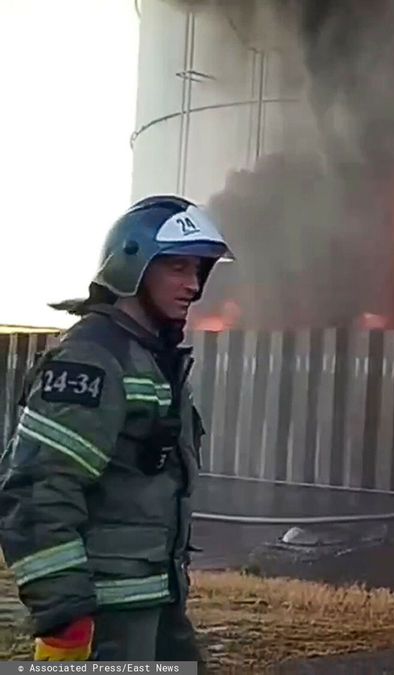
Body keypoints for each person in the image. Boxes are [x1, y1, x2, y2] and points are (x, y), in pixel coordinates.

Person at [0, 195, 234, 664]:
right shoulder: (93, 359)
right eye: (177, 268)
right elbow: (37, 489)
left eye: (198, 271)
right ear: (132, 266)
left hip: (154, 605)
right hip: (102, 615)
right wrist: (65, 613)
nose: (193, 285)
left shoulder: (151, 359)